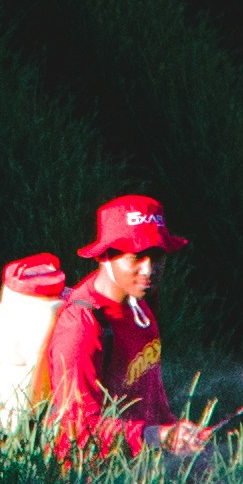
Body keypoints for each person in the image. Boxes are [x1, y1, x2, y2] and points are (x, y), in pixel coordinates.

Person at [41, 192, 216, 468]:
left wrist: (177, 437)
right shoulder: (81, 325)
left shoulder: (141, 310)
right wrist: (156, 436)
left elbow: (151, 401)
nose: (149, 269)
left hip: (136, 472)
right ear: (106, 256)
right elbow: (75, 428)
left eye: (157, 256)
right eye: (137, 257)